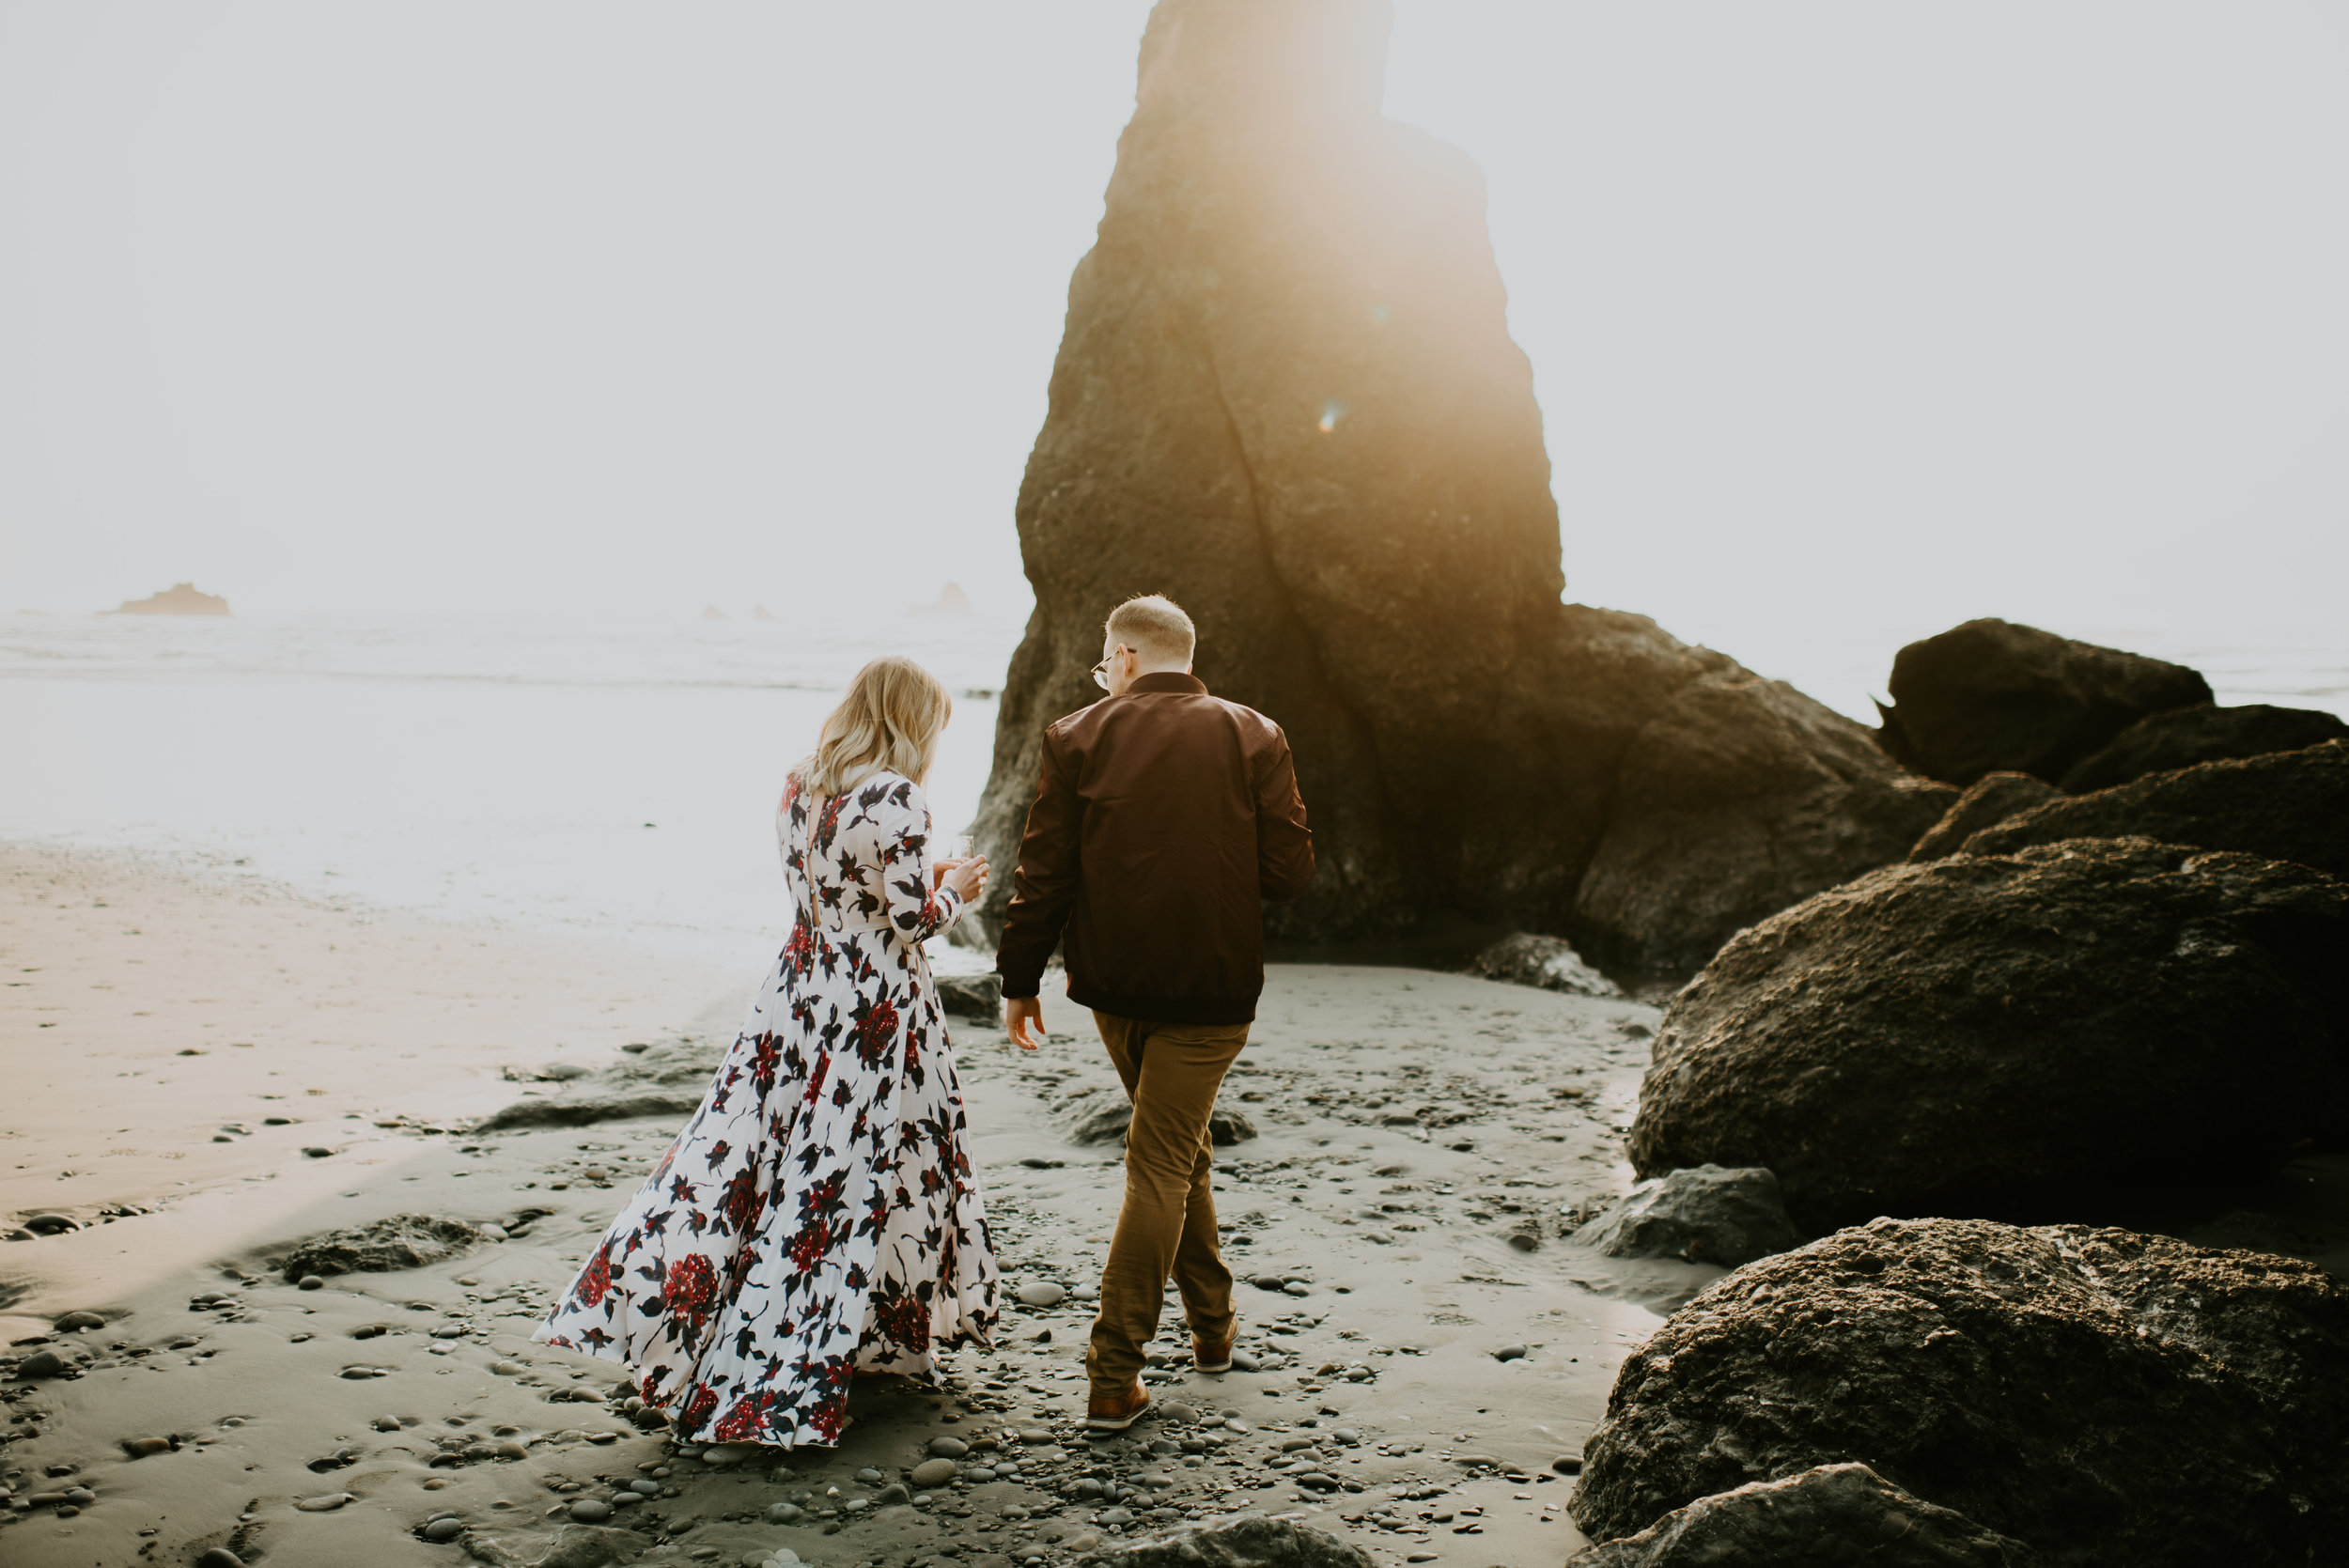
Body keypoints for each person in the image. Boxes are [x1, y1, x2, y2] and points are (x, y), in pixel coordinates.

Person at [539, 656, 996, 1448]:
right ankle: (815, 1353)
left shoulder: (799, 781)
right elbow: (914, 920)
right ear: (911, 719)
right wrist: (962, 887)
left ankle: (758, 1337)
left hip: (796, 989)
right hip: (871, 1010)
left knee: (761, 1162)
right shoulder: (897, 794)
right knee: (854, 1172)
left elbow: (829, 886)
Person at [995, 594, 1314, 1431]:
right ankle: (1114, 1373)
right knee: (1166, 1158)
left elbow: (1043, 873)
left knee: (1173, 1149)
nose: (1104, 673)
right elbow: (1289, 873)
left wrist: (1017, 979)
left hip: (1115, 990)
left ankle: (1214, 1328)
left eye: (1106, 659)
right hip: (1212, 992)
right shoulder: (1256, 733)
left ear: (1127, 658)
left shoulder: (1076, 737)